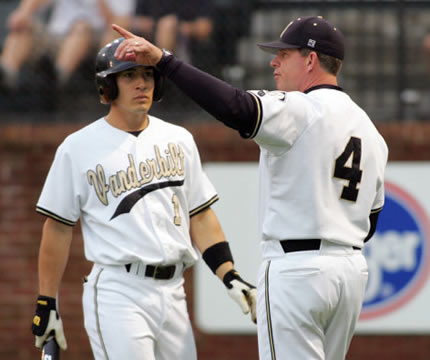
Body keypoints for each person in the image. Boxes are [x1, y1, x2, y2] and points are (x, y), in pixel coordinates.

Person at [111, 15, 389, 360]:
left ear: (311, 59)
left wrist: (165, 62)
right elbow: (371, 221)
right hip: (350, 273)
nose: (274, 61)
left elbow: (235, 107)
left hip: (297, 269)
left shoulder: (301, 109)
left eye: (284, 54)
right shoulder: (371, 130)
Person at [30, 37, 256, 359]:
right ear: (107, 86)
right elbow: (57, 227)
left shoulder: (178, 138)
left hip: (173, 291)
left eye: (148, 75)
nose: (142, 84)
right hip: (119, 291)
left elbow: (201, 216)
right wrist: (46, 301)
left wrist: (229, 275)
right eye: (129, 76)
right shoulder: (77, 147)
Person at [0, 0, 135, 90]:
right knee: (22, 30)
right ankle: (6, 74)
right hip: (55, 36)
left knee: (81, 27)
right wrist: (24, 12)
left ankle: (56, 79)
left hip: (90, 40)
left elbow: (118, 23)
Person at [131, 0, 214, 64]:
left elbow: (205, 28)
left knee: (168, 25)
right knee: (121, 21)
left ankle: (164, 72)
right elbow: (138, 20)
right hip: (150, 36)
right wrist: (156, 26)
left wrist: (181, 27)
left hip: (186, 43)